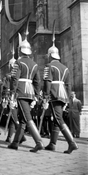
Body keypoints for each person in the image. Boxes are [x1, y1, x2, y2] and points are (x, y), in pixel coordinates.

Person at [43, 22, 78, 154]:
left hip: (54, 94)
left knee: (58, 119)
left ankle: (71, 143)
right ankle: (52, 143)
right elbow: (68, 85)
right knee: (57, 119)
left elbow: (47, 82)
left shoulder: (49, 66)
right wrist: (68, 99)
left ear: (50, 55)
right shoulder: (65, 68)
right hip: (63, 95)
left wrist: (46, 97)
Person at [8, 32, 43, 153]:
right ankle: (15, 142)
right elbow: (37, 81)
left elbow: (14, 79)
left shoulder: (18, 63)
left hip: (21, 91)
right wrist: (37, 95)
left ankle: (39, 142)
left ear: (20, 50)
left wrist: (12, 93)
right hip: (30, 92)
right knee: (23, 119)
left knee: (27, 118)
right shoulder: (35, 64)